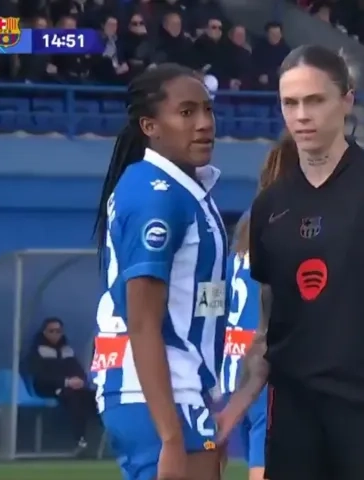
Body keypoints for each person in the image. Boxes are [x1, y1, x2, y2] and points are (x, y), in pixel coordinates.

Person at [217, 45, 364, 480]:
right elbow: (267, 332)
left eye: (314, 100)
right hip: (292, 420)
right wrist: (232, 413)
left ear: (346, 101)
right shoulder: (269, 207)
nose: (301, 115)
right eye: (290, 103)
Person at [90, 63, 227, 480]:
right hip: (157, 392)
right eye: (186, 113)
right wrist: (169, 435)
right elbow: (143, 320)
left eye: (207, 110)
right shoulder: (157, 197)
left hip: (176, 388)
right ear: (150, 125)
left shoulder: (176, 188)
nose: (203, 124)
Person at [220, 134, 295, 480]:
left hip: (232, 360)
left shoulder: (247, 226)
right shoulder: (289, 221)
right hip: (263, 358)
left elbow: (214, 297)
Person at [26, 317, 96, 453]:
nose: (55, 334)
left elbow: (77, 368)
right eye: (51, 331)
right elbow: (41, 377)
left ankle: (99, 441)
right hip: (46, 388)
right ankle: (79, 440)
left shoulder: (67, 350)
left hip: (71, 388)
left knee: (93, 397)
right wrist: (65, 382)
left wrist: (80, 380)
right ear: (44, 332)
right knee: (74, 399)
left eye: (58, 331)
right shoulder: (37, 351)